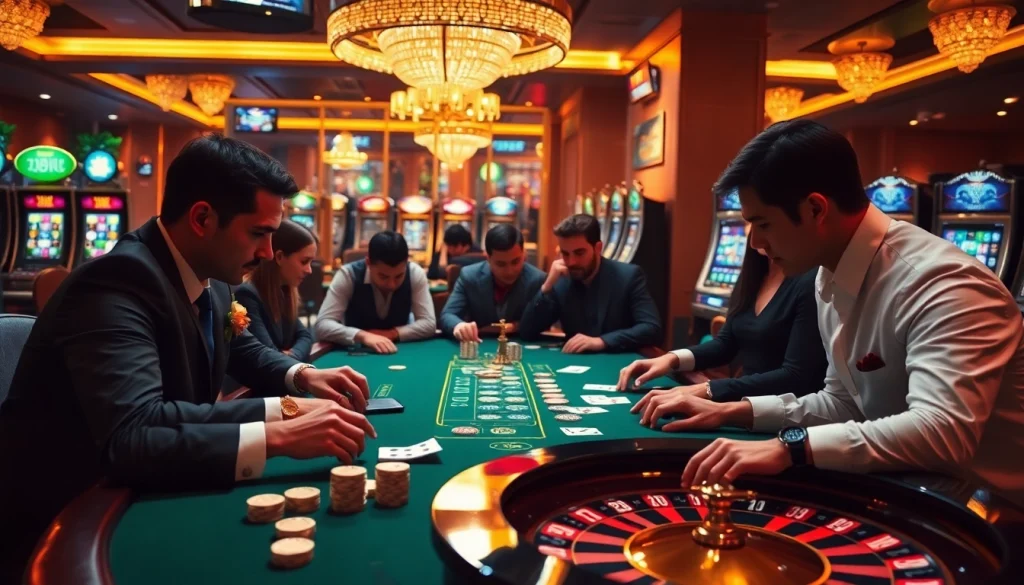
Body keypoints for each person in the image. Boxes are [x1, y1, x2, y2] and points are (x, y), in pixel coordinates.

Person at [0, 135, 376, 582]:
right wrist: (282, 436)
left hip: (139, 490)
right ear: (202, 218)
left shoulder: (212, 277)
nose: (265, 252)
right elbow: (134, 436)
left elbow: (242, 348)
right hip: (64, 521)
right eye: (258, 233)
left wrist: (301, 380)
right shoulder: (115, 283)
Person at [632, 119, 1024, 501]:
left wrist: (789, 448)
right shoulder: (828, 275)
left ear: (816, 209)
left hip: (995, 513)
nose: (755, 243)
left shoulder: (940, 283)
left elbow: (941, 434)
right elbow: (843, 404)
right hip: (916, 487)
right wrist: (730, 411)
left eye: (762, 223)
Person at [617, 244, 827, 401]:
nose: (754, 240)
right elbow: (726, 343)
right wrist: (671, 359)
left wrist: (708, 389)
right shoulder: (754, 273)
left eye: (763, 224)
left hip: (782, 414)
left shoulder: (810, 280)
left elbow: (795, 376)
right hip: (742, 403)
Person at [519, 214, 662, 353]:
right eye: (565, 254)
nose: (571, 262)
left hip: (617, 363)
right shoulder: (561, 279)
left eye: (579, 253)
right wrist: (546, 287)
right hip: (574, 363)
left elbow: (651, 328)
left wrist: (602, 341)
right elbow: (527, 332)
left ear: (598, 248)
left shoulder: (628, 276)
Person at [316, 230, 436, 354]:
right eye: (383, 276)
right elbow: (322, 325)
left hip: (398, 352)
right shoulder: (348, 274)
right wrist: (363, 336)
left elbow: (429, 324)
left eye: (399, 276)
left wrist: (392, 333)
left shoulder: (415, 273)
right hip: (357, 354)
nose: (391, 284)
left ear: (406, 263)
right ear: (368, 263)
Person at [440, 223, 546, 341]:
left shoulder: (537, 279)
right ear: (488, 259)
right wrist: (459, 325)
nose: (509, 271)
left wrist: (516, 326)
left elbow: (543, 323)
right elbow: (448, 315)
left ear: (523, 254)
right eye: (501, 264)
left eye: (516, 261)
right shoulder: (469, 276)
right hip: (480, 345)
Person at [234, 218, 318, 363]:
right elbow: (268, 356)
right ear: (279, 257)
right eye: (304, 261)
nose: (309, 270)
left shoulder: (285, 291)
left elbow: (306, 336)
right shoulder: (247, 295)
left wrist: (289, 356)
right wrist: (286, 357)